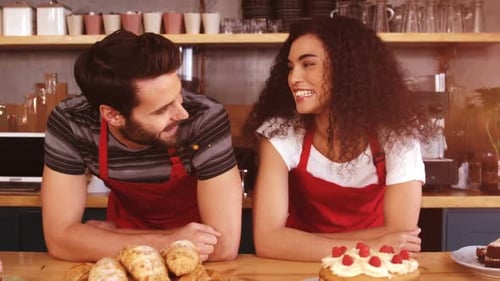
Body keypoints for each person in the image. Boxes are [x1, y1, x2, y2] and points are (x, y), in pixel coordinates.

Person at [244, 16, 437, 261]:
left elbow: (401, 235)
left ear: (348, 69)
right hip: (302, 267)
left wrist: (297, 242)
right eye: (291, 67)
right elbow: (268, 241)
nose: (293, 78)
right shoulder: (280, 133)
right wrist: (374, 243)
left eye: (308, 65)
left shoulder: (397, 136)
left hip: (373, 268)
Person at [41, 30, 242, 262]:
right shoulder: (72, 121)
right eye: (161, 109)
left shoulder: (204, 117)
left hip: (192, 258)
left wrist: (112, 237)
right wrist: (168, 241)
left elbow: (223, 246)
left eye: (179, 95)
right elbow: (59, 240)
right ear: (113, 115)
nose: (182, 112)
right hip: (127, 260)